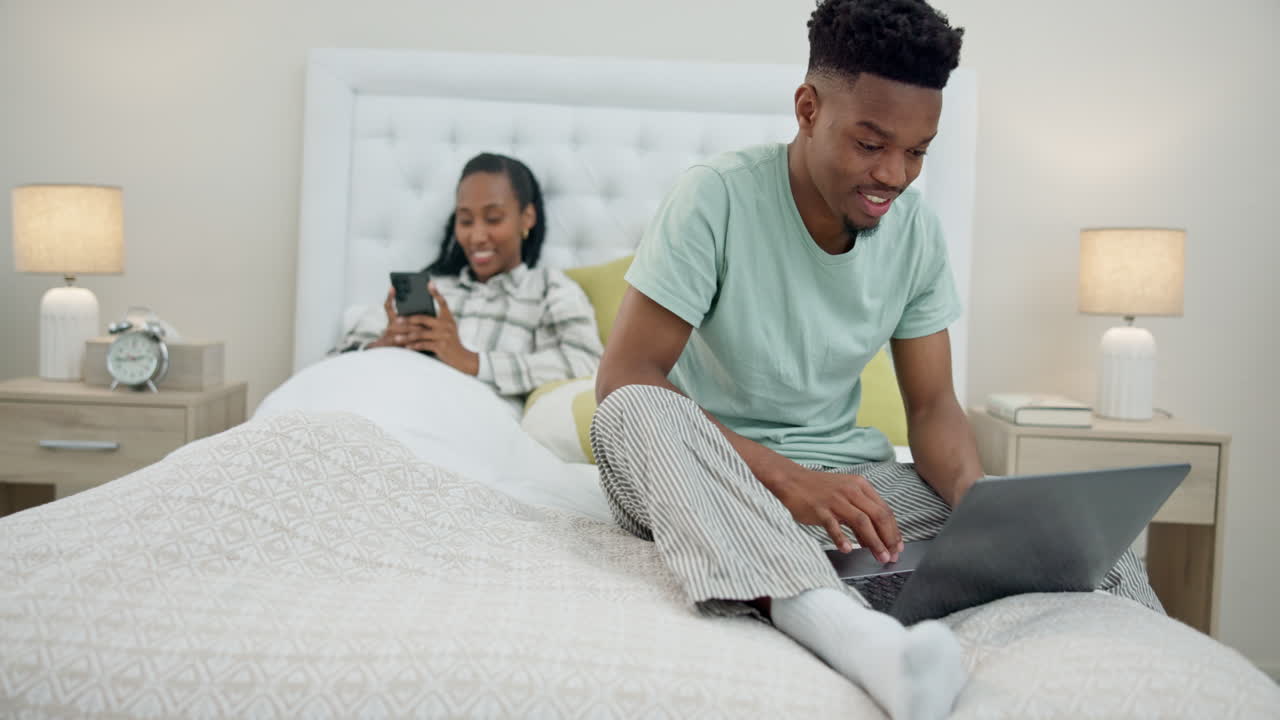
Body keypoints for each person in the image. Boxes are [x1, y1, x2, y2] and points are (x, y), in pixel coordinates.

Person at [590, 1, 1161, 718]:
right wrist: (790, 481)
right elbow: (625, 376)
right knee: (631, 411)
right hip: (709, 480)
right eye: (869, 144)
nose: (893, 173)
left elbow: (931, 407)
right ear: (806, 109)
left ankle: (1150, 667)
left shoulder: (915, 232)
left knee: (1087, 548)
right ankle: (848, 633)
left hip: (852, 488)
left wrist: (981, 510)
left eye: (917, 152)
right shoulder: (716, 199)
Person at [334, 153, 603, 399]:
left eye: (494, 219)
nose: (476, 237)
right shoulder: (431, 288)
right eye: (465, 221)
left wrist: (472, 362)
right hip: (395, 403)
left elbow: (586, 363)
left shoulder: (549, 289)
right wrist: (384, 345)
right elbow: (337, 360)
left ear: (527, 217)